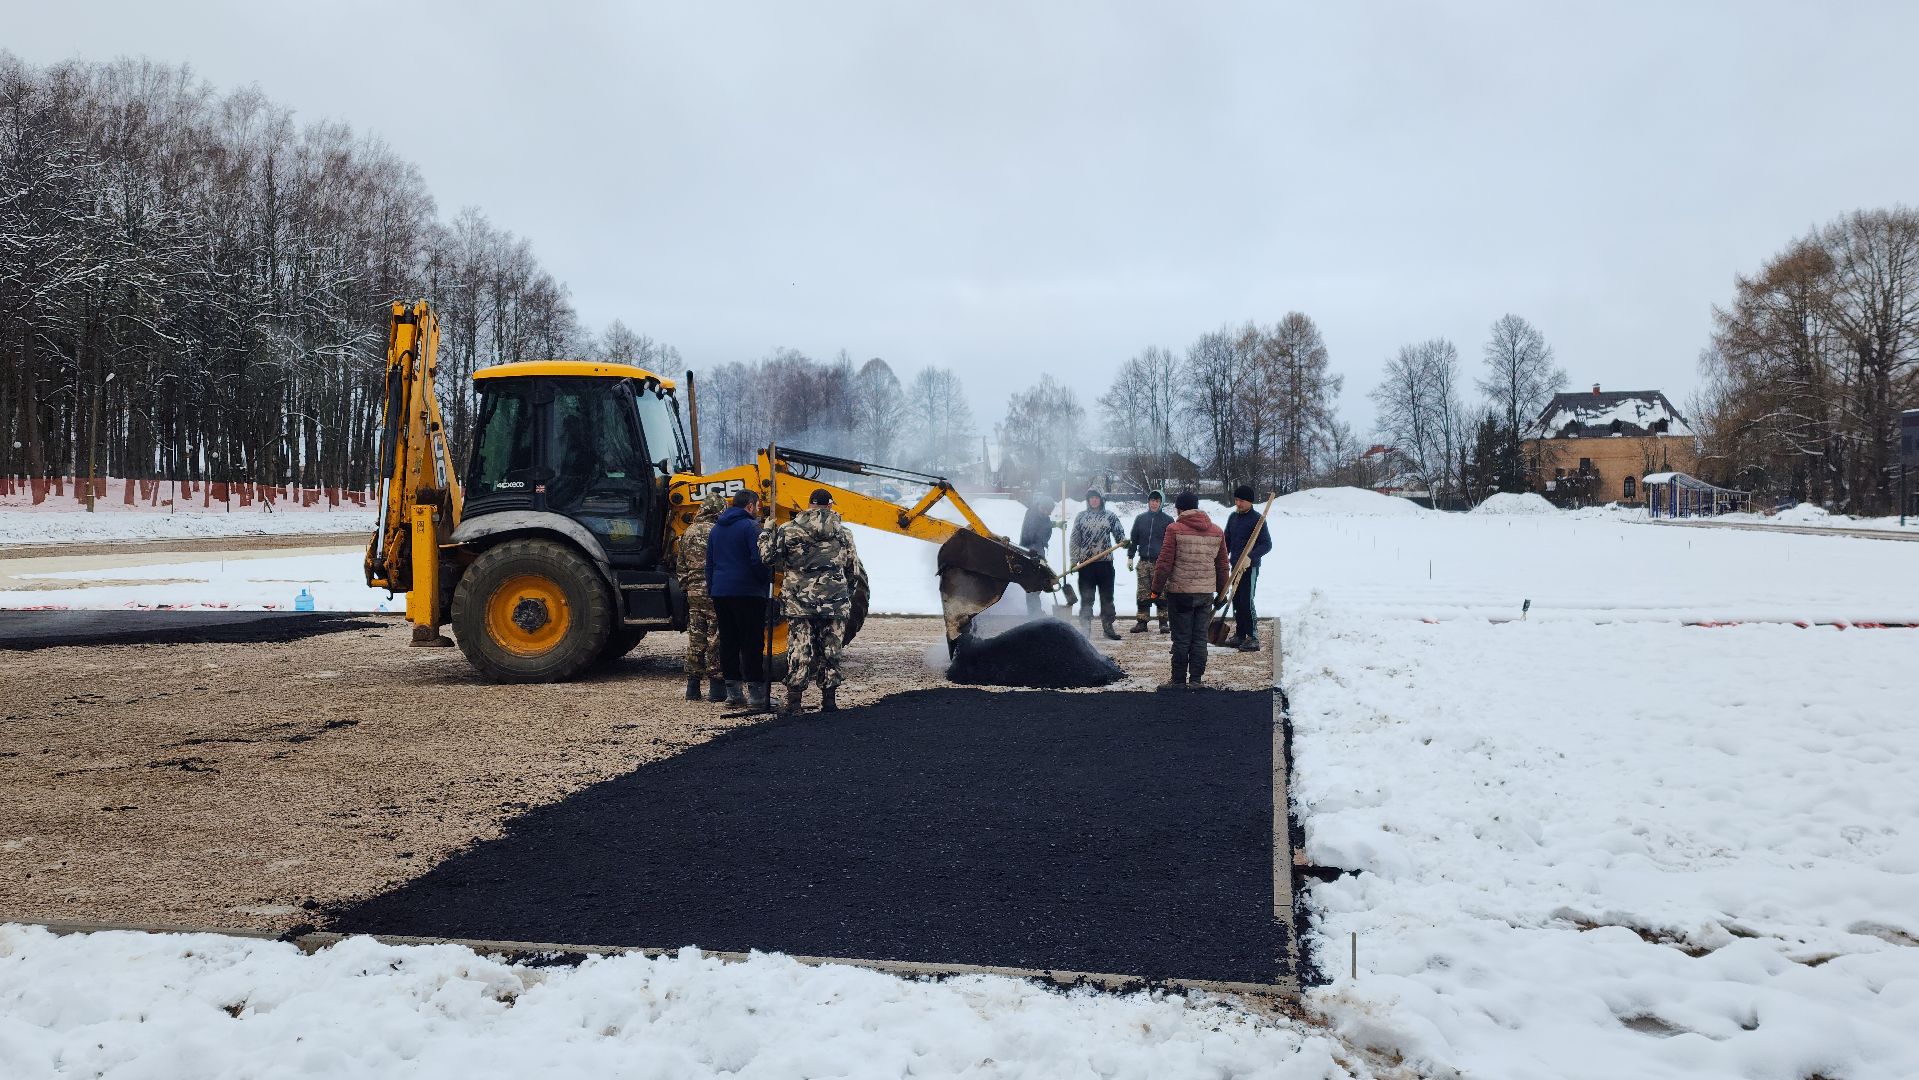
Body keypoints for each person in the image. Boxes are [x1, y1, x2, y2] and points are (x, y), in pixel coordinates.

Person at [760, 487, 868, 716]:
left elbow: (768, 558)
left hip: (799, 602)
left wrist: (766, 532)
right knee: (831, 649)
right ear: (830, 505)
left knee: (800, 650)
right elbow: (853, 570)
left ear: (809, 505)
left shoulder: (788, 530)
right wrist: (843, 594)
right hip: (835, 602)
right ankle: (829, 702)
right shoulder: (844, 533)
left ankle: (794, 703)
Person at [705, 488, 773, 710]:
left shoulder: (716, 529)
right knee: (752, 642)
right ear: (750, 506)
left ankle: (733, 694)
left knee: (729, 641)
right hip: (748, 592)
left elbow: (710, 564)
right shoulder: (751, 527)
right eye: (758, 506)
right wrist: (765, 581)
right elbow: (758, 560)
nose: (758, 510)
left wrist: (714, 588)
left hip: (721, 592)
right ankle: (757, 695)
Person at [1152, 490, 1228, 688]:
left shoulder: (1174, 529)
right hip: (1205, 594)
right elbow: (1222, 566)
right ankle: (1196, 680)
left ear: (1179, 508)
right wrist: (1222, 593)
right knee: (1199, 638)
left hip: (1180, 593)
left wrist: (1155, 589)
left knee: (1181, 638)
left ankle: (1178, 680)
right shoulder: (1217, 531)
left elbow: (1164, 563)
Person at [673, 488, 728, 701]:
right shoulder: (717, 531)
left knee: (696, 637)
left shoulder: (688, 532)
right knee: (715, 637)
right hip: (714, 591)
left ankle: (693, 686)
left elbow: (681, 566)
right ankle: (716, 687)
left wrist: (687, 587)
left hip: (694, 593)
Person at [1070, 487, 1126, 640]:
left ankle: (1108, 627)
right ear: (1088, 500)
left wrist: (1123, 541)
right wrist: (1074, 560)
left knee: (1107, 597)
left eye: (1097, 498)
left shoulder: (1110, 516)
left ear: (1101, 499)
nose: (1094, 500)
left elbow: (1119, 534)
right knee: (1087, 597)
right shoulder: (1081, 517)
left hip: (1105, 564)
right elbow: (1075, 540)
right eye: (1091, 498)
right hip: (1086, 564)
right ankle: (1085, 628)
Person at [1222, 484, 1271, 652]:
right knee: (1235, 600)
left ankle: (1253, 637)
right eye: (1236, 500)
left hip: (1249, 567)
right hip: (1234, 565)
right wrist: (1222, 557)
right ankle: (1240, 634)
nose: (1238, 503)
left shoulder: (1257, 520)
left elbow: (1266, 544)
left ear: (1249, 501)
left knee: (1246, 601)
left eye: (1241, 500)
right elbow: (1226, 541)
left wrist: (1250, 557)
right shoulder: (1233, 518)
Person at [1126, 489, 1172, 634]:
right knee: (1143, 593)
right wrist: (1130, 556)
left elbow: (1172, 544)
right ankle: (1142, 622)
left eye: (1157, 501)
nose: (1154, 503)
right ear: (1148, 502)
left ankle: (1164, 622)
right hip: (1144, 562)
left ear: (1161, 503)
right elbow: (1134, 540)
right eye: (1152, 500)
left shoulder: (1168, 521)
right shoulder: (1140, 519)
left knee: (1162, 592)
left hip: (1161, 563)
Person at [1018, 494, 1057, 615]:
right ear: (1040, 506)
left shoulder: (1043, 516)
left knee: (1038, 582)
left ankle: (1035, 612)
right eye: (1045, 510)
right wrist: (1033, 554)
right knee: (1033, 583)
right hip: (1031, 552)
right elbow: (1028, 535)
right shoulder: (1032, 515)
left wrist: (1055, 524)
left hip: (1039, 551)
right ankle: (1034, 614)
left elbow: (1043, 526)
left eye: (1048, 511)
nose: (1046, 513)